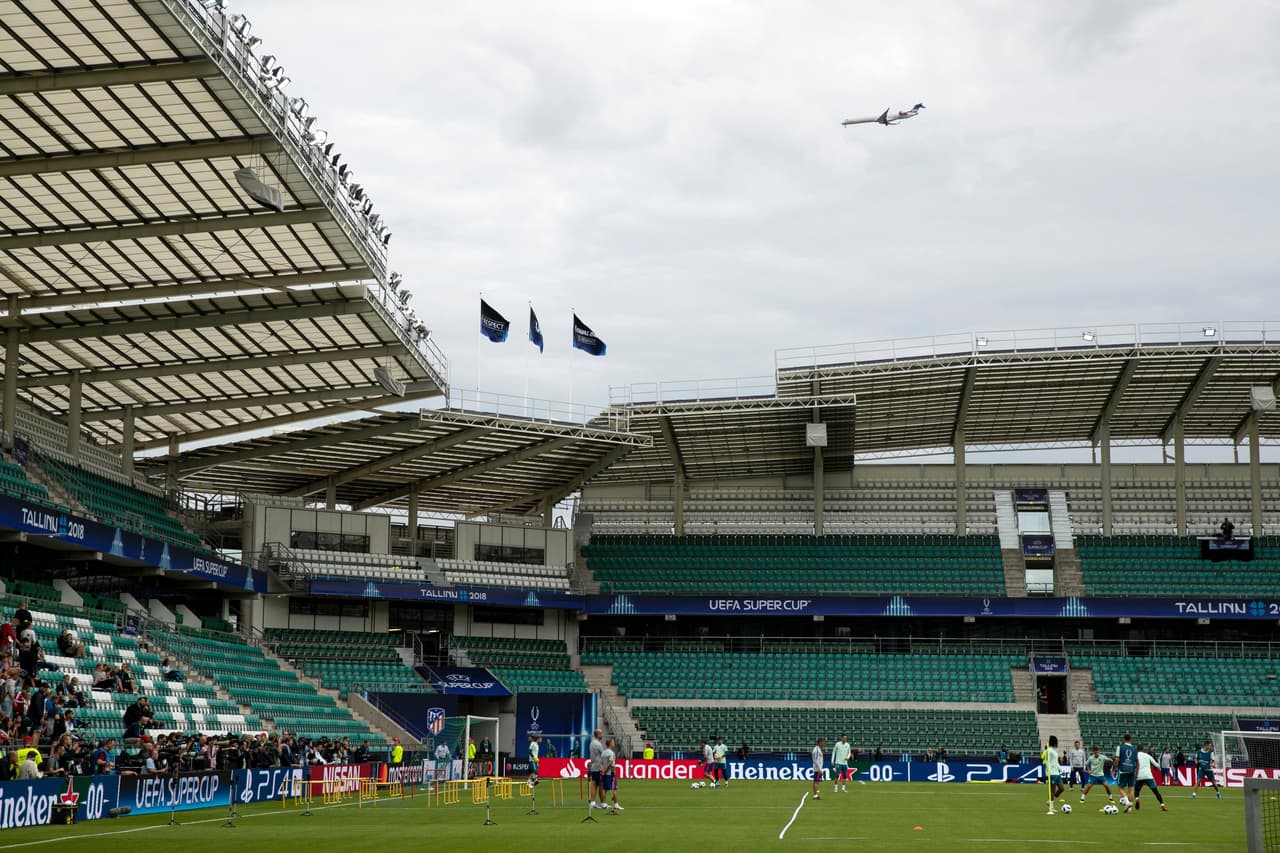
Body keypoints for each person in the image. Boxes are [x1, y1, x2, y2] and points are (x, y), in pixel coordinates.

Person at [1133, 744, 1168, 812]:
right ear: (1143, 749)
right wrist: (1159, 769)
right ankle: (1162, 805)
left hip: (1139, 775)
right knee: (1156, 791)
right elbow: (1156, 764)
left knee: (1136, 790)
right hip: (1148, 776)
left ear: (1137, 749)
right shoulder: (1147, 755)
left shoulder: (1135, 756)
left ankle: (1137, 799)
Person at [1115, 733, 1138, 812]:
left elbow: (1117, 759)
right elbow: (1137, 761)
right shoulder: (1134, 748)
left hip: (1123, 769)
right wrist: (1136, 771)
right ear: (1130, 739)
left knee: (1120, 787)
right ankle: (1130, 809)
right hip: (1131, 769)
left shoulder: (1120, 747)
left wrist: (1114, 769)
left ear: (1124, 739)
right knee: (1131, 789)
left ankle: (1127, 803)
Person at [1043, 736, 1064, 814]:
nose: (1058, 743)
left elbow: (1056, 762)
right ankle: (1051, 808)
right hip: (1052, 773)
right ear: (1054, 743)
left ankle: (1050, 802)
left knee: (1061, 788)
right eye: (1057, 742)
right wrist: (1049, 773)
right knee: (1052, 791)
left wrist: (1061, 770)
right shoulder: (1048, 751)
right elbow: (1047, 762)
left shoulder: (1054, 751)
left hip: (1056, 773)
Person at [599, 737, 621, 811]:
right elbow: (611, 762)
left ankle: (603, 803)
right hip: (610, 773)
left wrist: (603, 770)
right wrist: (605, 770)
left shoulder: (603, 752)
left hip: (604, 773)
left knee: (604, 789)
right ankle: (616, 804)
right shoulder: (611, 753)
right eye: (613, 742)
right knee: (614, 788)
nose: (614, 744)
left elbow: (600, 763)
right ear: (610, 744)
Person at [588, 729, 605, 809]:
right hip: (599, 767)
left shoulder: (591, 743)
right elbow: (603, 755)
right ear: (598, 734)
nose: (602, 735)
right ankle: (602, 803)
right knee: (601, 785)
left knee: (594, 784)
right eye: (601, 733)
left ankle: (593, 802)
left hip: (594, 766)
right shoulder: (598, 744)